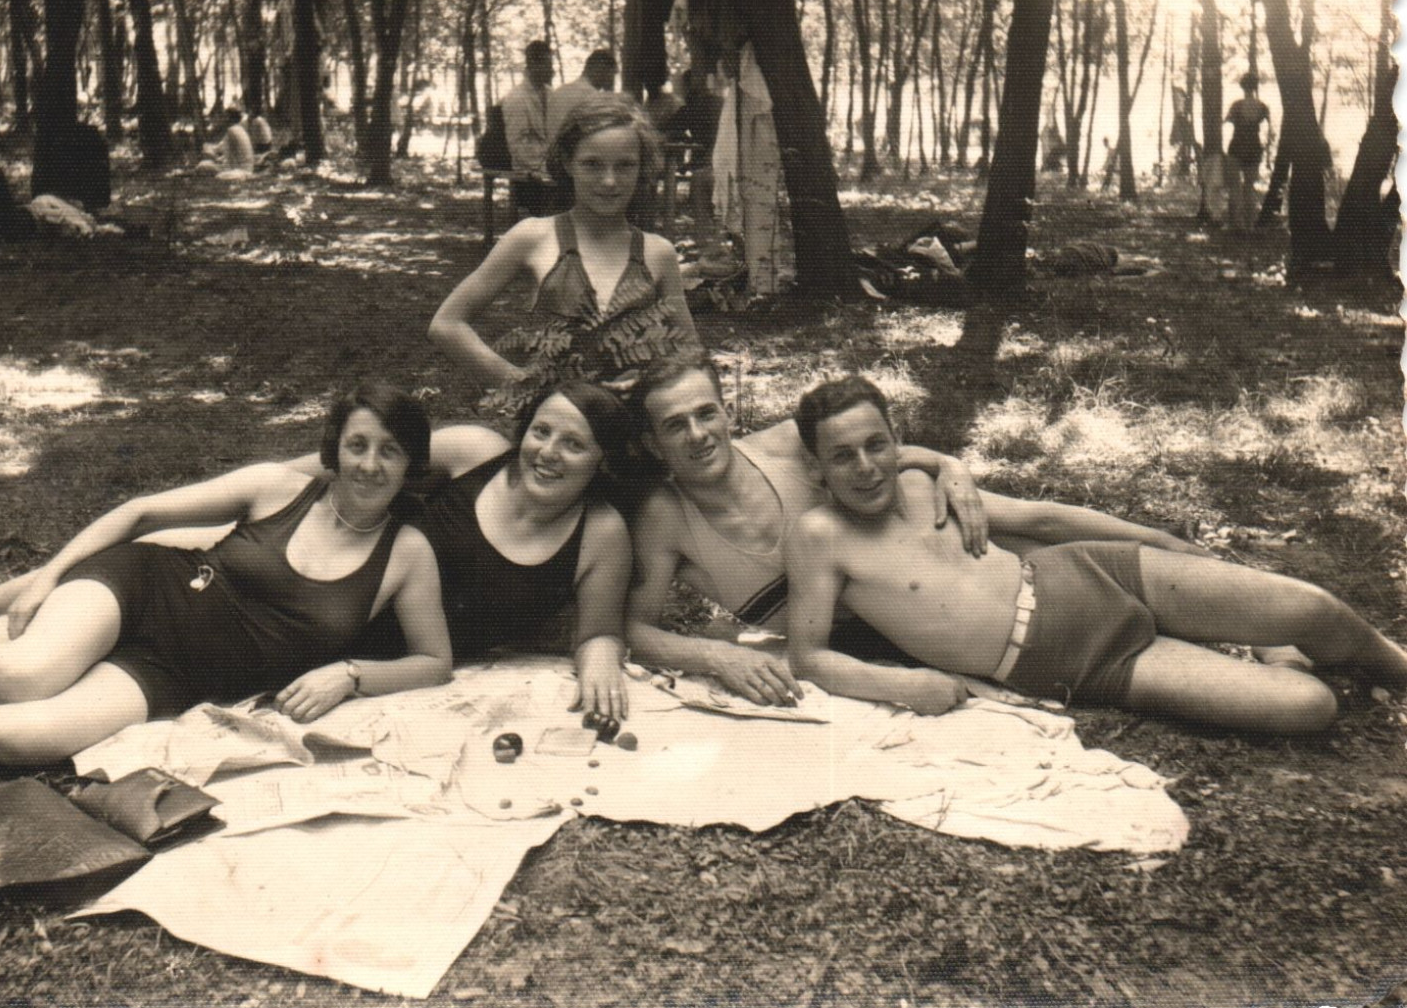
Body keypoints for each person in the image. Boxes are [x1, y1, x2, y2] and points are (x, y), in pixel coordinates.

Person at [0, 384, 452, 764]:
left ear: (410, 465)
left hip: (178, 674)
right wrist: (50, 577)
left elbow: (433, 660)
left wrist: (351, 673)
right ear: (334, 447)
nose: (368, 464)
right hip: (143, 589)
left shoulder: (406, 552)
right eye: (357, 445)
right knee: (21, 673)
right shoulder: (279, 488)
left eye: (389, 452)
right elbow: (140, 511)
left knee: (21, 738)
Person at [784, 376, 1407, 734]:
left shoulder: (926, 482)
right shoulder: (819, 538)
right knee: (1308, 709)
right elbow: (808, 657)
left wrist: (1157, 541)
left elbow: (1044, 518)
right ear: (817, 470)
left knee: (1313, 609)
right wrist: (903, 686)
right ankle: (1269, 652)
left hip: (1092, 573)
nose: (866, 468)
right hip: (1081, 664)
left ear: (897, 441)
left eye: (877, 445)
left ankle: (1391, 664)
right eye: (843, 456)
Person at [623, 355, 987, 708]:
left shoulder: (786, 445)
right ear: (654, 444)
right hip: (855, 649)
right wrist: (719, 656)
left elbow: (879, 454)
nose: (697, 435)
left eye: (706, 414)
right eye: (675, 425)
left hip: (943, 585)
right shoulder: (664, 517)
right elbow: (635, 630)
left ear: (727, 413)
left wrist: (948, 465)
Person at [347, 381, 636, 719]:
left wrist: (601, 654)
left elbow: (598, 632)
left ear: (602, 461)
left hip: (408, 674)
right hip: (326, 610)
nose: (547, 452)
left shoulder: (602, 532)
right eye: (540, 431)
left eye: (573, 444)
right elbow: (333, 468)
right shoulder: (474, 452)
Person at [429, 93, 700, 410]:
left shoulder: (658, 253)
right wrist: (527, 388)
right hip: (553, 427)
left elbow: (690, 353)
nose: (609, 181)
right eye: (592, 165)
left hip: (630, 424)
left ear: (642, 169)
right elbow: (446, 325)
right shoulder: (533, 236)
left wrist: (650, 388)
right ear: (568, 163)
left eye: (625, 165)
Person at [500, 40, 556, 217]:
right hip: (528, 174)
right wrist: (546, 167)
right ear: (533, 64)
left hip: (550, 167)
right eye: (547, 65)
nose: (552, 70)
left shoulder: (551, 94)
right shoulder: (517, 98)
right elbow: (517, 146)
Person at [1224, 73, 1270, 233]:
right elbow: (1269, 131)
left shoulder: (1236, 105)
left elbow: (1227, 122)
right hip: (1254, 148)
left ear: (1242, 87)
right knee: (1249, 187)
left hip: (1236, 147)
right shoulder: (1263, 107)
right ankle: (1250, 225)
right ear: (1255, 87)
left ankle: (1236, 224)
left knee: (1235, 187)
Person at [546, 49, 620, 150]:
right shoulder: (595, 99)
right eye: (611, 74)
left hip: (553, 157)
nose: (611, 80)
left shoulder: (559, 92)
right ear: (601, 70)